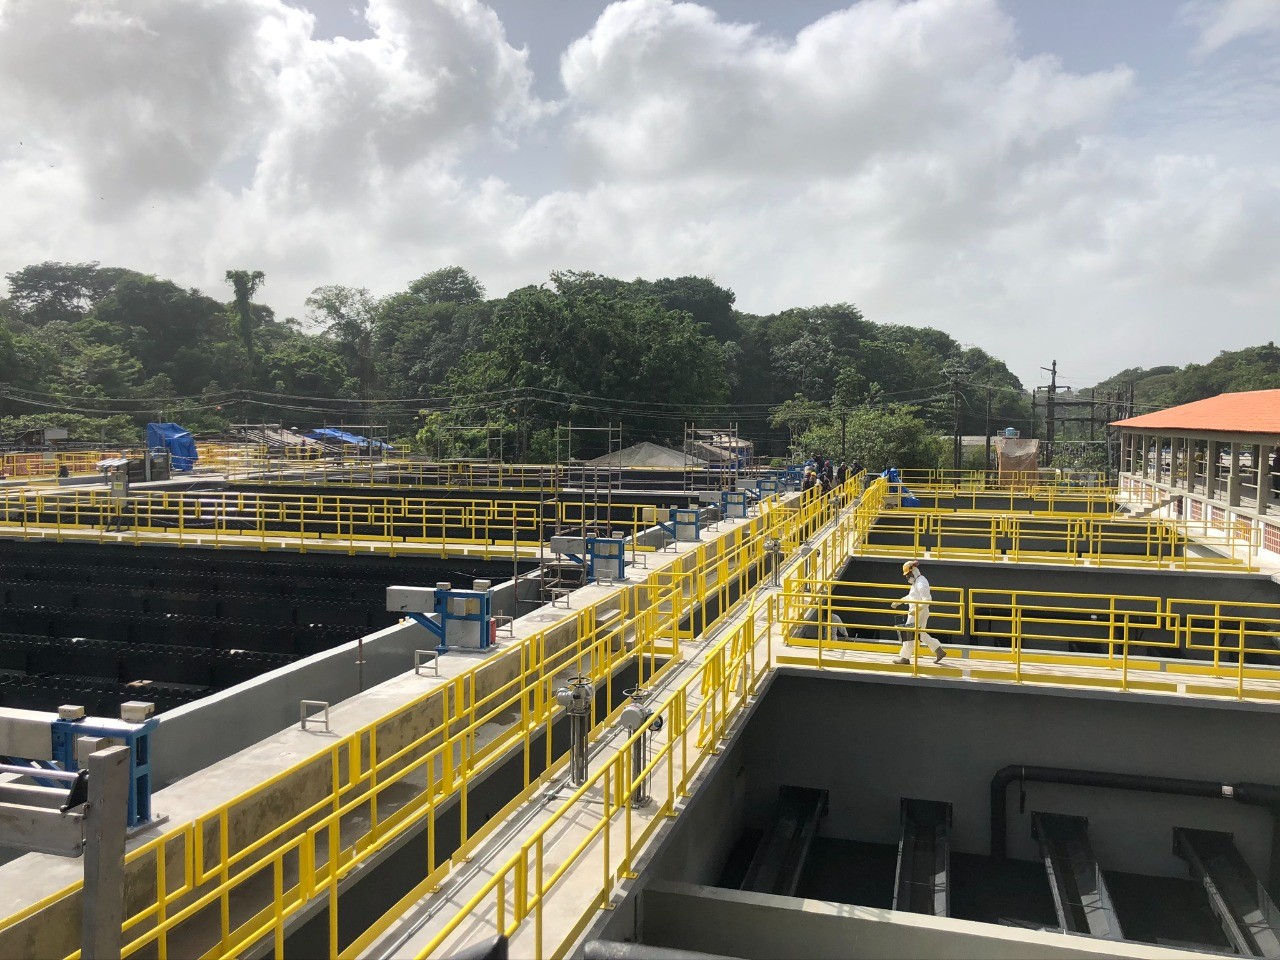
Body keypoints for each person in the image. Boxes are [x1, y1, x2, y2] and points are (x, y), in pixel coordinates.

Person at [892, 560, 947, 665]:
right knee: (920, 634)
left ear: (913, 571)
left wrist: (917, 609)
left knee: (908, 633)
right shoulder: (916, 582)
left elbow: (927, 599)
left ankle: (905, 658)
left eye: (908, 574)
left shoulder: (921, 582)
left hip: (917, 612)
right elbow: (912, 596)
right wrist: (900, 601)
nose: (907, 577)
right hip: (919, 611)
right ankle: (939, 650)